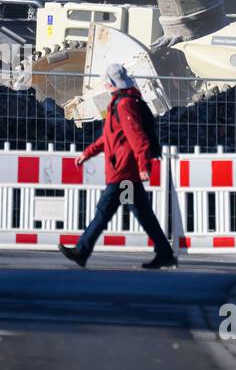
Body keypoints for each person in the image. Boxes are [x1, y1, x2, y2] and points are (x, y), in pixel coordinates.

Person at [59, 63, 178, 270]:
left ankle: (81, 251)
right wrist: (87, 153)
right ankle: (165, 253)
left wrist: (143, 165)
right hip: (123, 170)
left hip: (124, 172)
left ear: (112, 82)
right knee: (141, 213)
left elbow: (137, 135)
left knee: (104, 210)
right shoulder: (119, 103)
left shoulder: (124, 105)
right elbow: (109, 138)